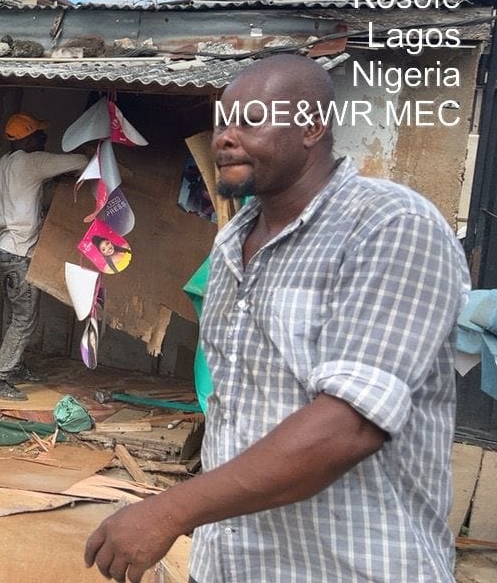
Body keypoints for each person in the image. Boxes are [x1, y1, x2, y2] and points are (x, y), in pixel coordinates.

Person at [84, 54, 469, 582]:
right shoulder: (230, 242)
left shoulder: (389, 226)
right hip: (232, 566)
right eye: (223, 121)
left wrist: (170, 510)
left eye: (251, 120)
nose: (224, 137)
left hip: (349, 567)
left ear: (312, 126)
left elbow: (348, 425)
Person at [0, 112, 87, 401]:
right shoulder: (31, 162)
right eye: (39, 134)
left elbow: (27, 188)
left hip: (5, 248)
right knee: (25, 318)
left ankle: (13, 366)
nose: (44, 138)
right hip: (18, 253)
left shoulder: (6, 163)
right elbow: (81, 161)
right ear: (27, 138)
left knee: (19, 315)